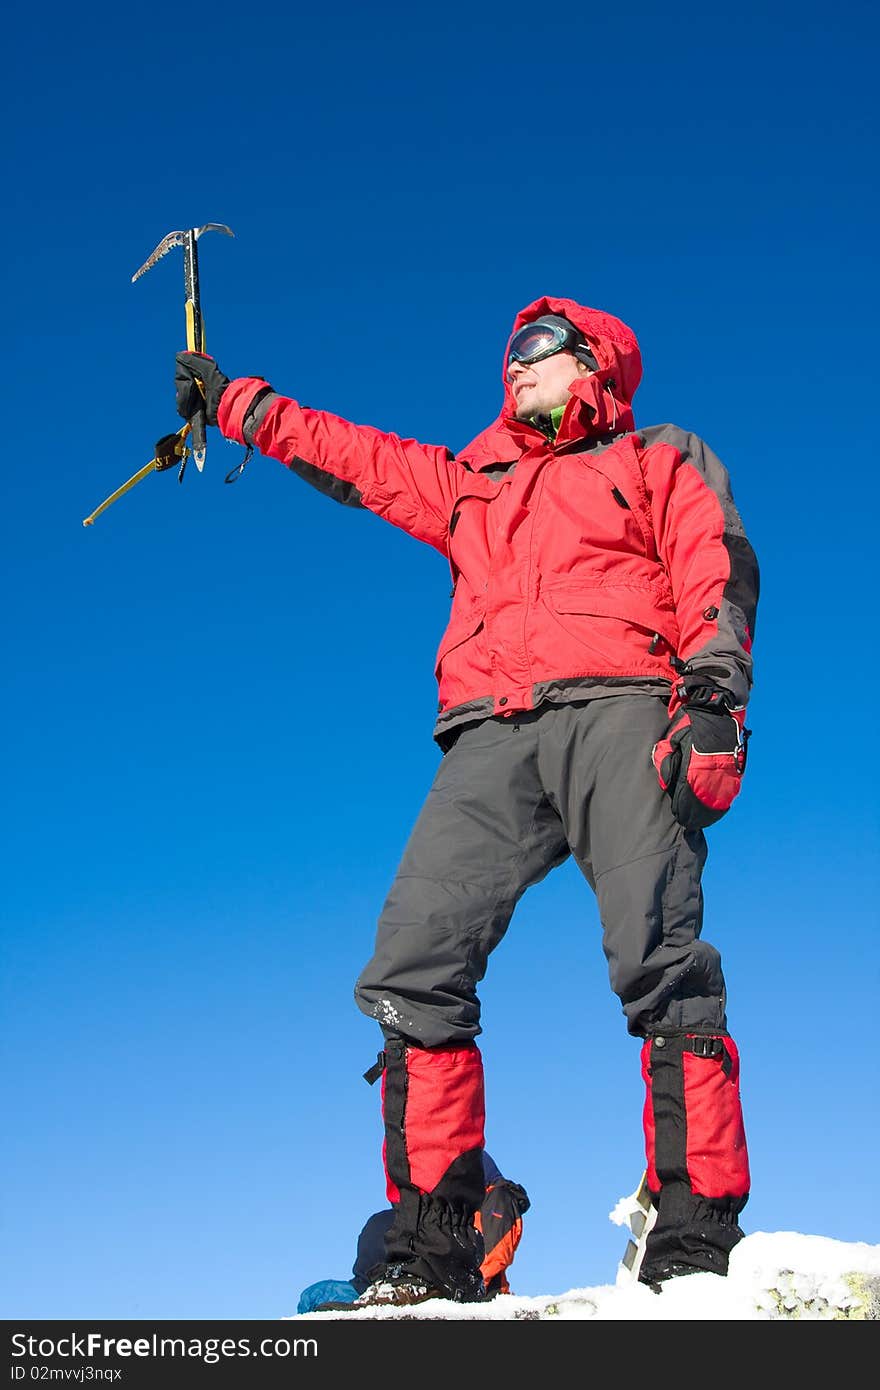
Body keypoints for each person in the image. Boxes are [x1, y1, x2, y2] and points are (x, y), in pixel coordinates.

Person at [175, 294, 759, 1305]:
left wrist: (709, 698)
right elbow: (354, 458)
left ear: (595, 364)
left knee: (659, 960)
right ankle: (434, 1244)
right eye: (509, 352)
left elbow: (714, 565)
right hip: (490, 729)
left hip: (620, 704)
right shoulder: (472, 479)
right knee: (413, 962)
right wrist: (234, 402)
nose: (514, 364)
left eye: (538, 349)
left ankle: (693, 1232)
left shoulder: (658, 454)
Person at [297, 1152, 529, 1313]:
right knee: (314, 1295)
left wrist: (457, 1289)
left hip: (455, 1286)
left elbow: (491, 1259)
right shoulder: (421, 1211)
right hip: (390, 1280)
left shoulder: (495, 1200)